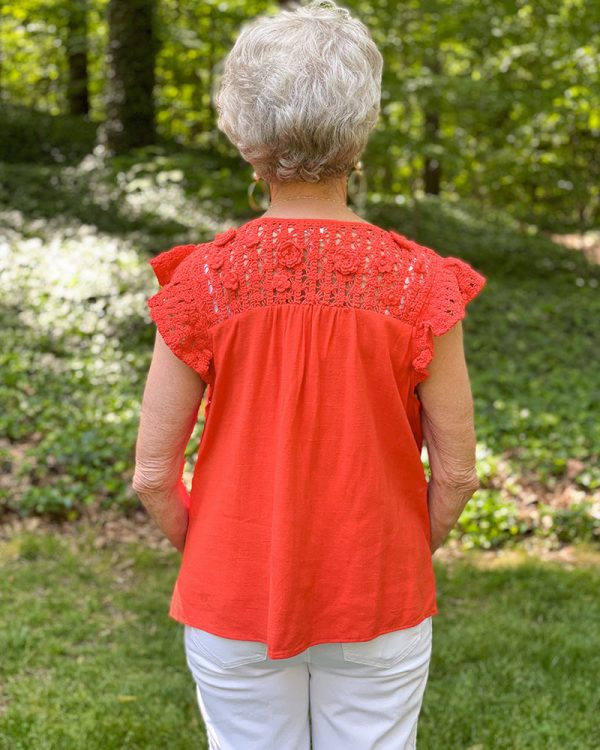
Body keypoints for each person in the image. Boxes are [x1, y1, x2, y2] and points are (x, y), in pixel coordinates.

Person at [132, 1, 487, 748]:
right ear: (359, 135)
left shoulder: (206, 284)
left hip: (231, 599)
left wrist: (219, 556)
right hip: (378, 598)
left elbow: (154, 476)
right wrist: (391, 559)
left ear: (244, 137)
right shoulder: (418, 285)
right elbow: (455, 475)